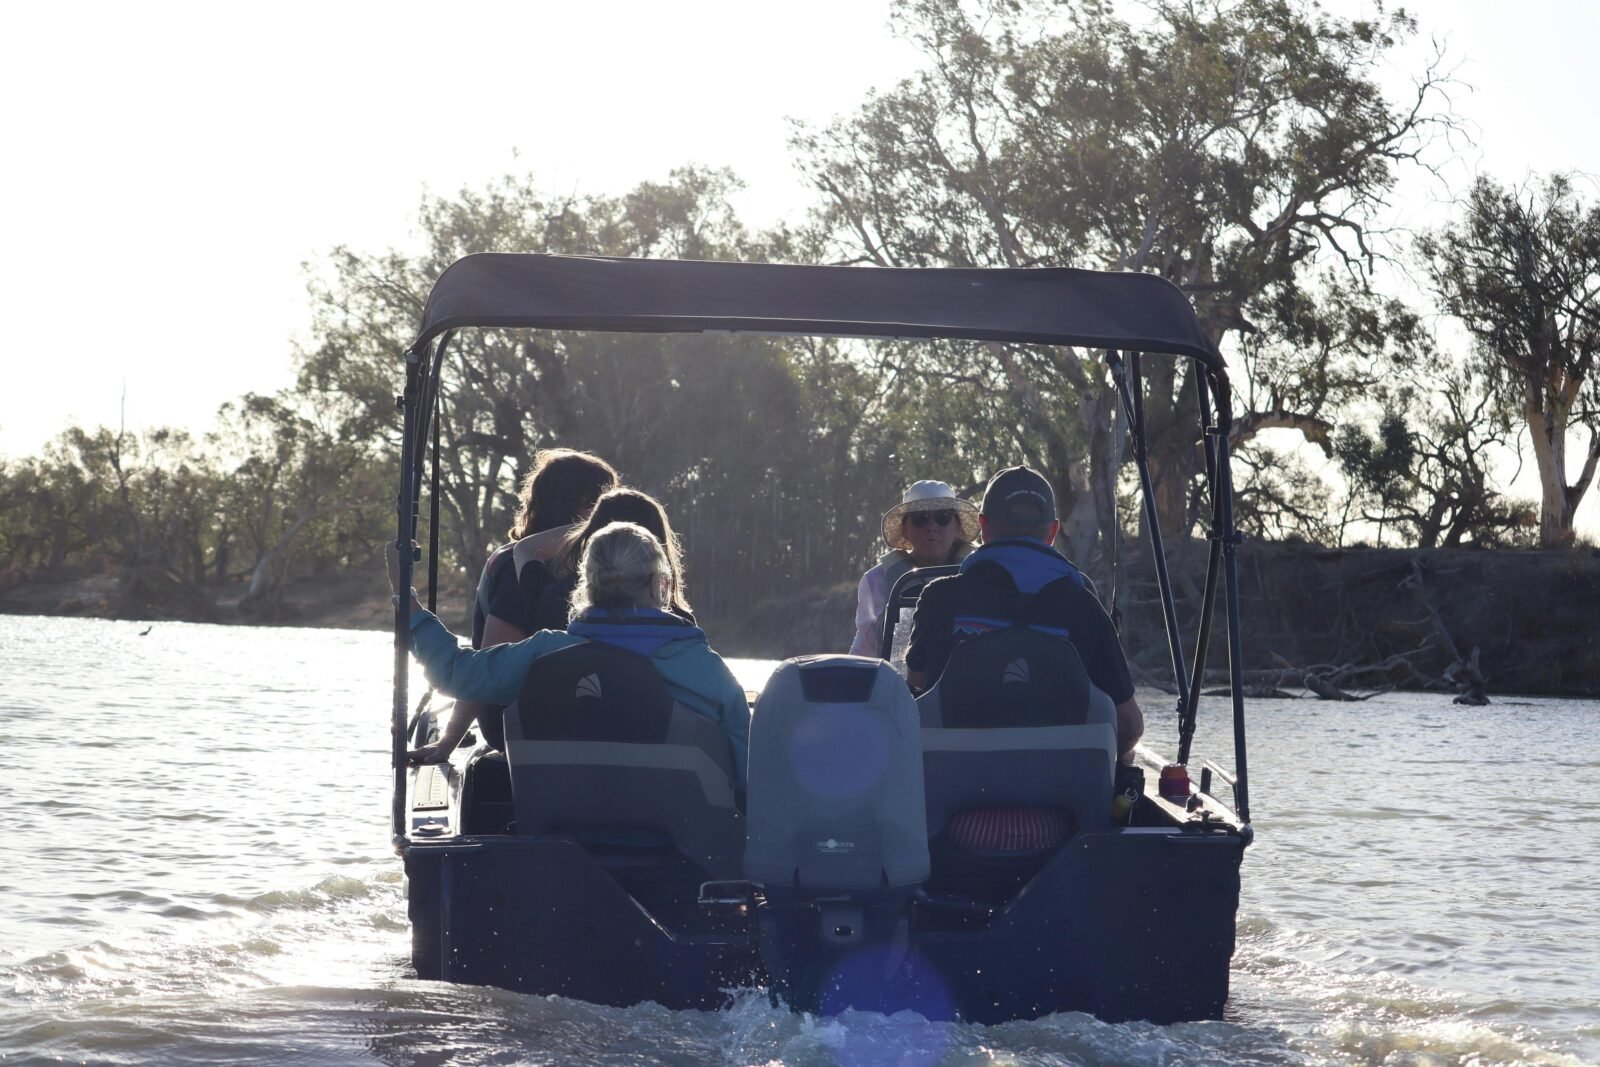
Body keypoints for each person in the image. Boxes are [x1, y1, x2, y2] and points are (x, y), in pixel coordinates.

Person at [390, 522, 750, 790]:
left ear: (586, 584)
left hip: (561, 848)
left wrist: (411, 607)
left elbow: (454, 675)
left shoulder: (543, 655)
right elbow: (750, 779)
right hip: (682, 857)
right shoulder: (708, 672)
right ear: (661, 585)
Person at [905, 465, 1144, 765]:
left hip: (957, 791)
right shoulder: (1085, 607)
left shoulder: (937, 599)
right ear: (1053, 533)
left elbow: (916, 682)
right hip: (1063, 792)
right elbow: (1131, 725)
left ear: (984, 527)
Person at [411, 448, 618, 763]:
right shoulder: (516, 567)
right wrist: (449, 741)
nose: (609, 519)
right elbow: (489, 666)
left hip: (579, 710)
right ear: (579, 506)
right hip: (516, 723)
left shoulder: (596, 568)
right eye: (602, 506)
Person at [849, 480, 980, 657]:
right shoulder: (876, 581)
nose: (932, 527)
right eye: (920, 519)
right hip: (900, 683)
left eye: (943, 517)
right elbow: (864, 650)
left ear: (957, 527)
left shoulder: (983, 572)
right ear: (905, 530)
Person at [535, 487, 693, 631]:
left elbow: (524, 549)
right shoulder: (679, 624)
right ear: (657, 548)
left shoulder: (557, 602)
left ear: (594, 538)